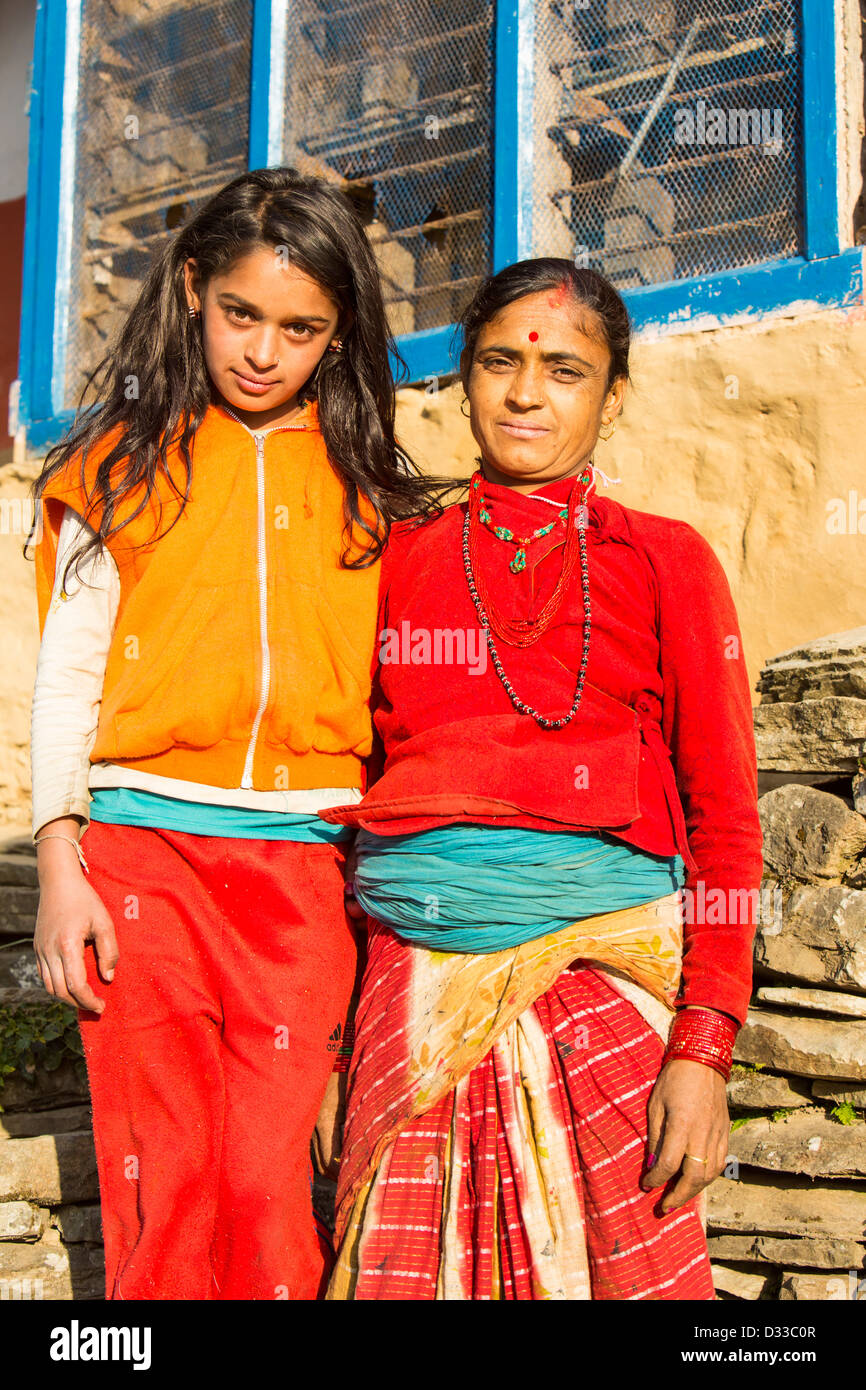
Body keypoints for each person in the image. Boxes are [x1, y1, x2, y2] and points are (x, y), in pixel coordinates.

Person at [27, 167, 445, 1300]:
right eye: (241, 315)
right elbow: (67, 680)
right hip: (139, 859)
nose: (263, 350)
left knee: (267, 1183)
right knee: (165, 1177)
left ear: (339, 334)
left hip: (303, 870)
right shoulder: (112, 466)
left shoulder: (373, 490)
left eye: (300, 328)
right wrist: (61, 870)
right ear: (194, 292)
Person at [323, 259, 764, 1300]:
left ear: (611, 394)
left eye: (563, 369)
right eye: (497, 363)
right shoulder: (392, 557)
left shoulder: (664, 560)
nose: (524, 394)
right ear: (462, 379)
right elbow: (339, 797)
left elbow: (726, 820)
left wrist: (703, 1045)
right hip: (415, 984)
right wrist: (331, 1050)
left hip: (606, 987)